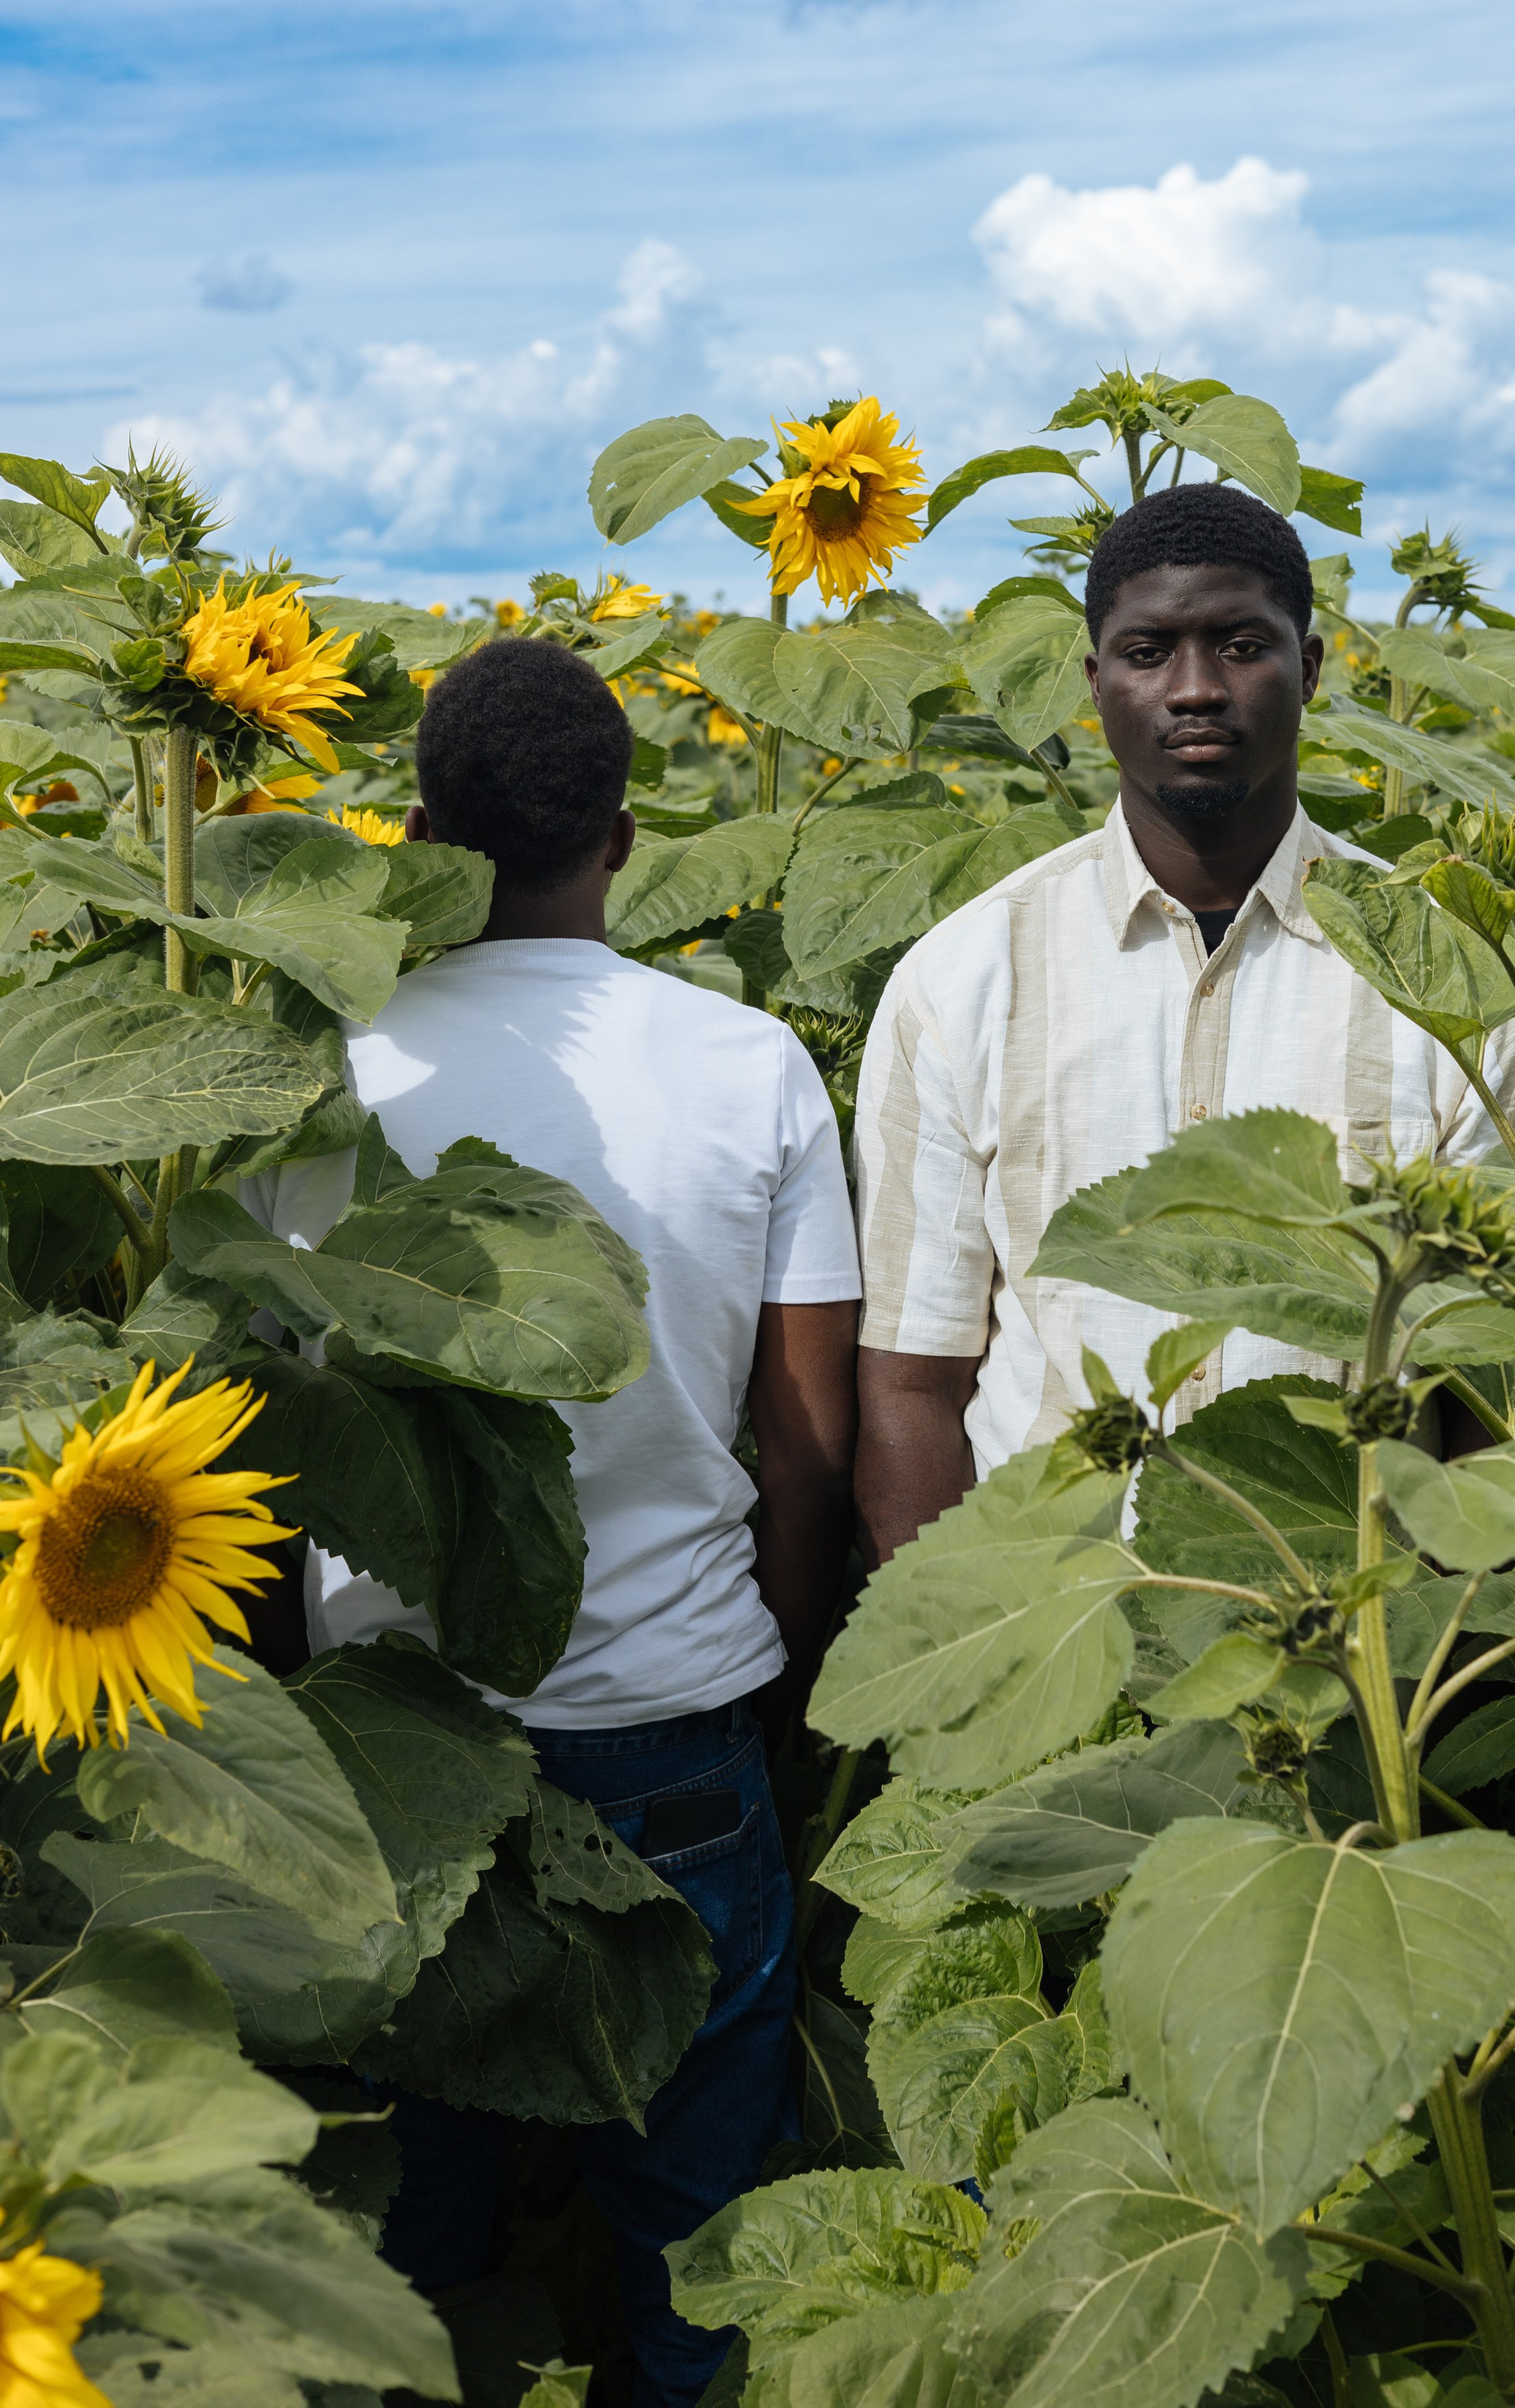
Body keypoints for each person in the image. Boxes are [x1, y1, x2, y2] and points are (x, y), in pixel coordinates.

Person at [238, 634, 861, 2408]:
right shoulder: (748, 1067)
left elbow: (271, 1449)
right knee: (703, 2264)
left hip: (397, 1745)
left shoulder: (318, 1074)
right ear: (628, 832)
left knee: (396, 2269)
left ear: (420, 827)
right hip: (670, 1726)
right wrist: (780, 1672)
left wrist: (310, 1694)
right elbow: (806, 1445)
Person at [851, 480, 1515, 1563]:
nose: (1197, 689)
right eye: (1148, 652)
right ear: (1095, 682)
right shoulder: (966, 977)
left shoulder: (1442, 978)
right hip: (1058, 1616)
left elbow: (1488, 1380)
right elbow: (910, 1378)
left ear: (1308, 670)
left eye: (1241, 645)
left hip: (1352, 1634)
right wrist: (954, 1667)